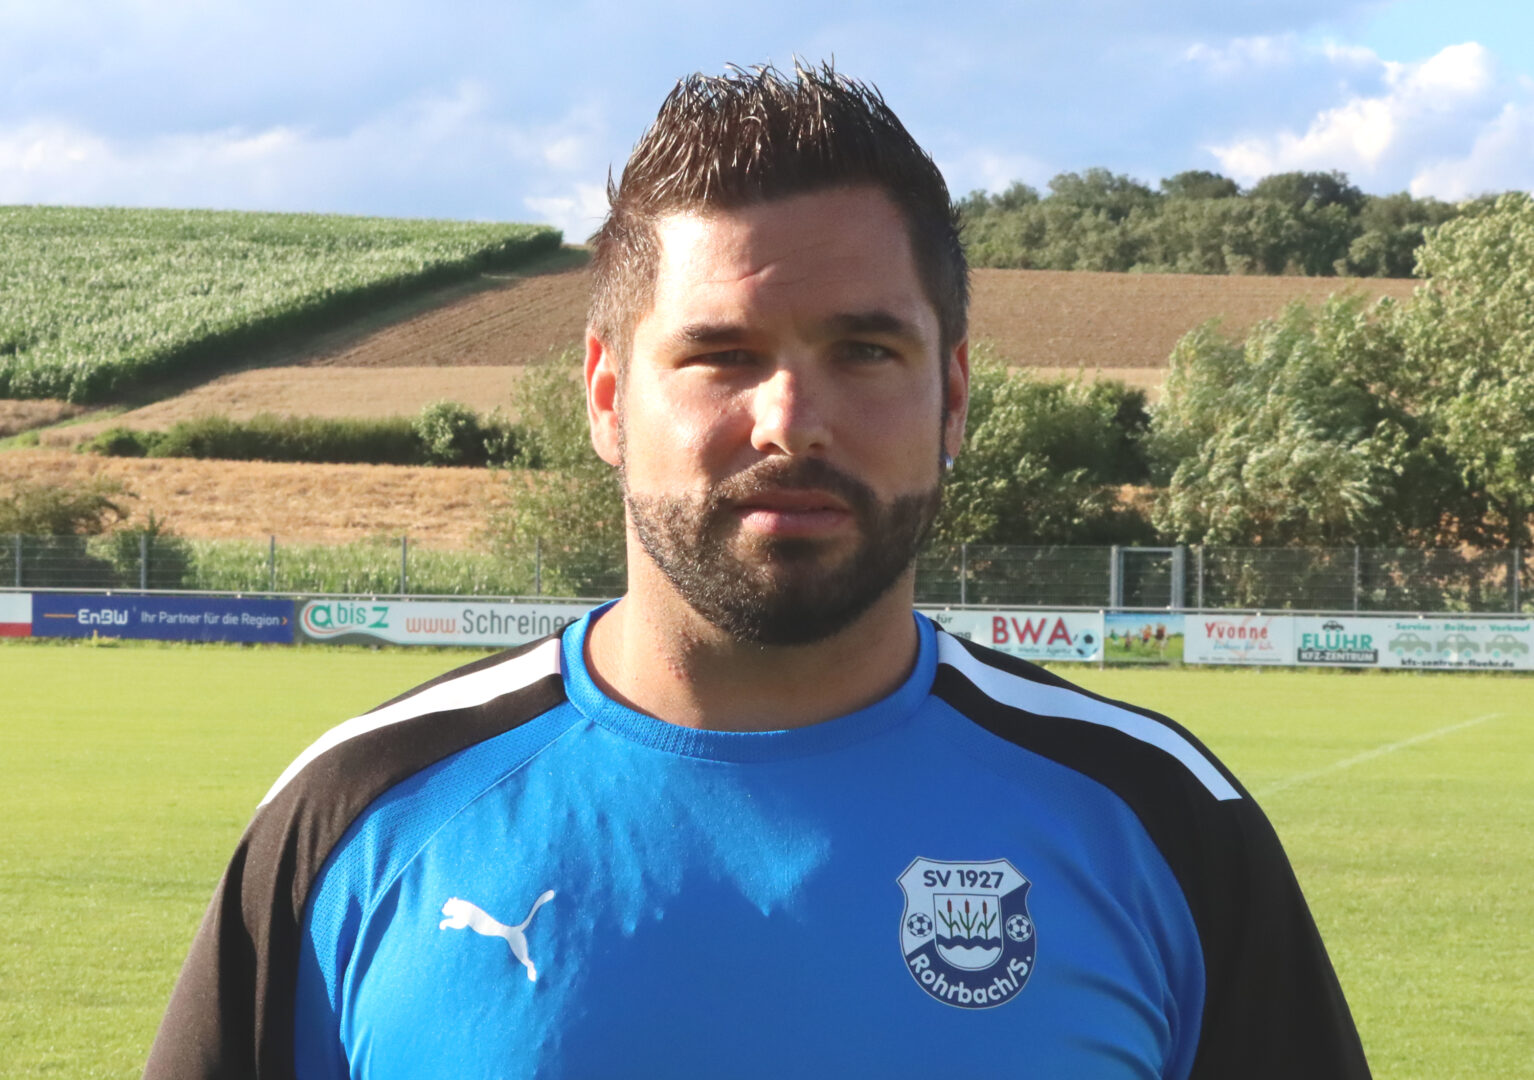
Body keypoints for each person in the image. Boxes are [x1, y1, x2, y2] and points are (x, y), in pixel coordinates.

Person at [145, 63, 1370, 1079]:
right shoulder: (360, 815)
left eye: (865, 350)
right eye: (721, 355)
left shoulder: (1160, 821)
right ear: (607, 396)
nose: (790, 420)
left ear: (951, 397)